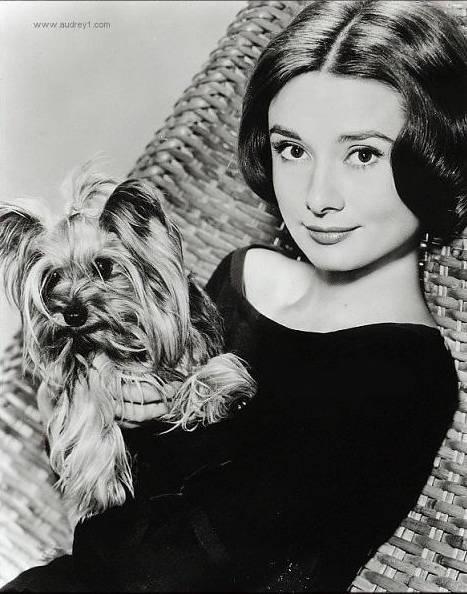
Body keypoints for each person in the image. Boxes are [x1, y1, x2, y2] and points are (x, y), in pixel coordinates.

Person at [3, 0, 465, 591]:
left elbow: (167, 567)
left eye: (363, 154)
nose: (318, 196)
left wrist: (84, 429)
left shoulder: (402, 377)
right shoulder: (246, 276)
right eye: (292, 149)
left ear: (433, 157)